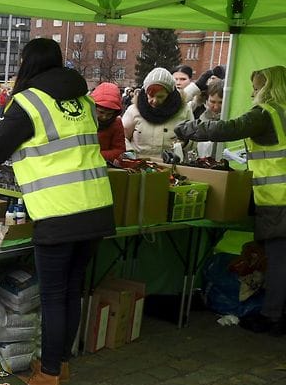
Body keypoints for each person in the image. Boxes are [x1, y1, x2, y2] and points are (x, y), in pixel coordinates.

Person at [0, 38, 115, 385]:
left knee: (53, 294)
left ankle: (48, 374)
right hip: (96, 206)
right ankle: (60, 363)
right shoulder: (81, 99)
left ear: (27, 63)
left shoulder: (30, 102)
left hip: (59, 210)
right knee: (71, 289)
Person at [175, 65, 286, 337]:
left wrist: (188, 128)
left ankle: (273, 317)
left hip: (279, 200)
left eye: (257, 87)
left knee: (279, 259)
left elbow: (228, 128)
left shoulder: (266, 113)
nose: (253, 93)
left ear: (270, 88)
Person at [122, 67, 193, 159]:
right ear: (145, 92)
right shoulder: (133, 110)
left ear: (169, 94)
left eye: (160, 96)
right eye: (151, 96)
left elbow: (193, 140)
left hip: (171, 167)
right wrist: (130, 154)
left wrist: (184, 143)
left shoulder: (184, 111)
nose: (154, 101)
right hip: (140, 167)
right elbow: (122, 136)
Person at [90, 82, 127, 162]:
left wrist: (95, 155)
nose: (104, 117)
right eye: (101, 112)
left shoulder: (116, 123)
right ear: (93, 107)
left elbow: (120, 150)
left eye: (109, 114)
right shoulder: (84, 120)